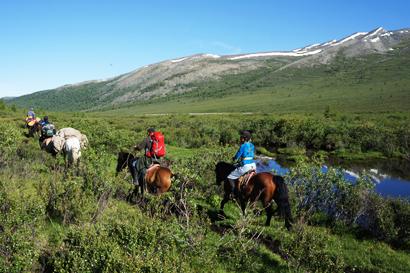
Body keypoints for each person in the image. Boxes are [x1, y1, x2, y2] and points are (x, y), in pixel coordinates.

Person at [227, 130, 256, 196]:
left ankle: (233, 193)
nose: (240, 138)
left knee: (230, 177)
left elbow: (238, 155)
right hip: (253, 165)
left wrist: (234, 158)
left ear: (245, 138)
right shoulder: (252, 145)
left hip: (245, 165)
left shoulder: (243, 146)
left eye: (241, 137)